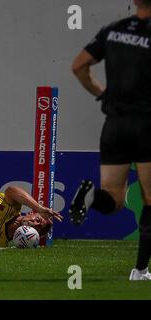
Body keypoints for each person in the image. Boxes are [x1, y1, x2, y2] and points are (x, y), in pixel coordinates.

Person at [70, 0, 151, 280]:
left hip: (114, 125)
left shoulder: (112, 30)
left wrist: (102, 93)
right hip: (146, 124)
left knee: (113, 200)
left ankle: (91, 196)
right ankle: (140, 270)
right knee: (150, 200)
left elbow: (79, 66)